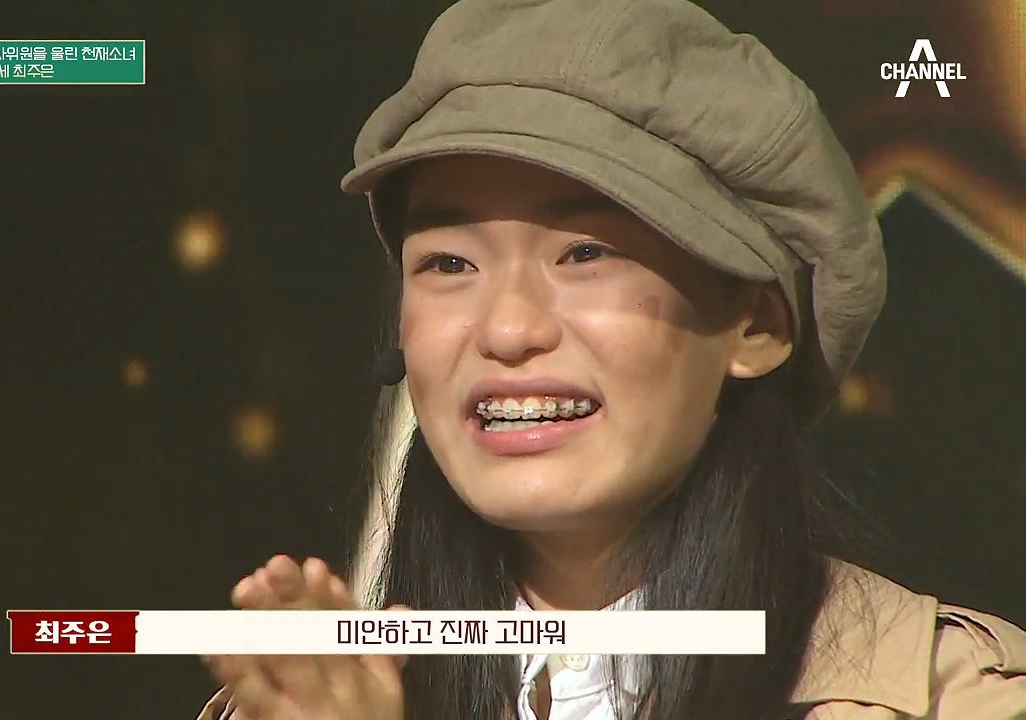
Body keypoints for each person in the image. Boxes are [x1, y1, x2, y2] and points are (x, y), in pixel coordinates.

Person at [196, 0, 1026, 718]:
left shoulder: (952, 696)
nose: (507, 329)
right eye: (449, 263)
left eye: (585, 253)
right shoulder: (295, 704)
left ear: (756, 326)